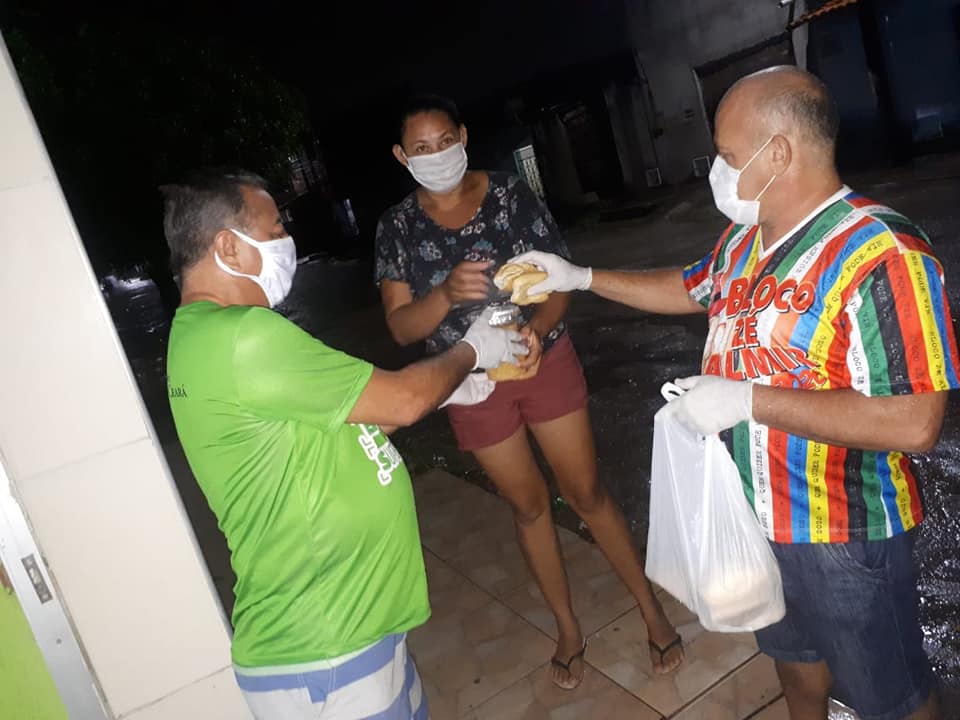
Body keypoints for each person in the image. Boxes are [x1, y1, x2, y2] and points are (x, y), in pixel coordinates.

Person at [513, 66, 959, 720]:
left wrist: (747, 401)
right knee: (797, 669)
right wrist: (580, 277)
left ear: (777, 153)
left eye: (726, 155)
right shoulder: (745, 240)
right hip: (753, 520)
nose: (716, 171)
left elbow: (914, 421)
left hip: (842, 537)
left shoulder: (883, 254)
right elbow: (689, 287)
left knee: (890, 697)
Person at [162, 169, 525, 720]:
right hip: (326, 648)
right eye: (274, 229)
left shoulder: (198, 336)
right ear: (228, 247)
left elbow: (334, 428)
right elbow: (402, 401)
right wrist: (474, 350)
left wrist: (446, 392)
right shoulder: (242, 336)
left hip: (350, 629)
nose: (287, 240)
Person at [374, 94, 683, 689]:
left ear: (464, 137)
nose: (437, 155)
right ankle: (567, 628)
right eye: (421, 148)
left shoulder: (510, 194)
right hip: (469, 384)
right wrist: (444, 295)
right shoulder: (398, 227)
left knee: (586, 492)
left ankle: (651, 609)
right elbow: (402, 327)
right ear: (401, 156)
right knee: (528, 506)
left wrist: (538, 330)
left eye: (445, 141)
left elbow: (559, 281)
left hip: (542, 360)